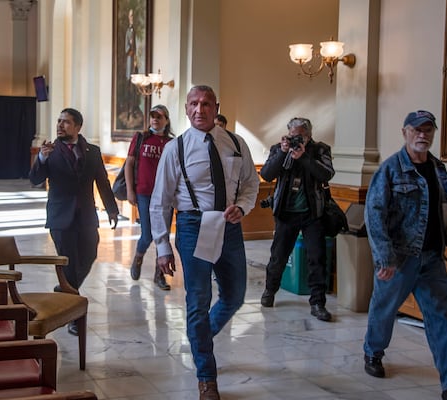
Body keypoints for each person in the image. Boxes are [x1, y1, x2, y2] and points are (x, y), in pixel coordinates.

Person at [363, 110, 447, 400]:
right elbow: (374, 213)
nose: (423, 135)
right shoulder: (390, 169)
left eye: (428, 130)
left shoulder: (439, 169)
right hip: (399, 259)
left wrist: (444, 245)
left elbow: (441, 209)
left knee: (441, 318)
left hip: (431, 258)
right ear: (405, 132)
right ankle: (373, 352)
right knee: (384, 311)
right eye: (417, 130)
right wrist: (384, 257)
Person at [150, 85, 259, 400]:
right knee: (197, 301)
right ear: (186, 109)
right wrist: (161, 247)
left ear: (216, 107)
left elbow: (251, 183)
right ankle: (206, 377)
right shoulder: (177, 148)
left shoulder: (236, 144)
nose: (200, 109)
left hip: (228, 224)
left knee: (235, 296)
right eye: (194, 104)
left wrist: (244, 206)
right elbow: (160, 201)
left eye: (206, 104)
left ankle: (200, 339)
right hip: (192, 225)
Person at [29, 108, 119, 335]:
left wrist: (112, 209)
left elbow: (102, 181)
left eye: (66, 122)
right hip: (60, 216)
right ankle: (72, 314)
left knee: (90, 254)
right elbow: (35, 179)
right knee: (68, 262)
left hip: (86, 215)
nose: (60, 125)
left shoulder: (92, 151)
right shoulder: (50, 151)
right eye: (59, 121)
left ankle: (65, 290)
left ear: (78, 127)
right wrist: (41, 158)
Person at [259, 117, 335, 322]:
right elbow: (266, 174)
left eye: (299, 136)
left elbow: (327, 174)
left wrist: (303, 157)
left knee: (317, 258)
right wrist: (283, 152)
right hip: (286, 212)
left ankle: (318, 302)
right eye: (292, 136)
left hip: (312, 213)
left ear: (308, 136)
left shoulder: (320, 150)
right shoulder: (279, 149)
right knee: (278, 256)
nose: (295, 140)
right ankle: (269, 291)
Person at [125, 104, 174, 290]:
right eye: (153, 116)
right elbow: (129, 164)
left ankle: (159, 274)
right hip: (144, 192)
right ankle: (138, 259)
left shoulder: (171, 143)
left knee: (164, 235)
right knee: (147, 234)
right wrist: (131, 190)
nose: (155, 119)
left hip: (165, 195)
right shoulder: (140, 138)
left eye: (159, 116)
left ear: (166, 120)